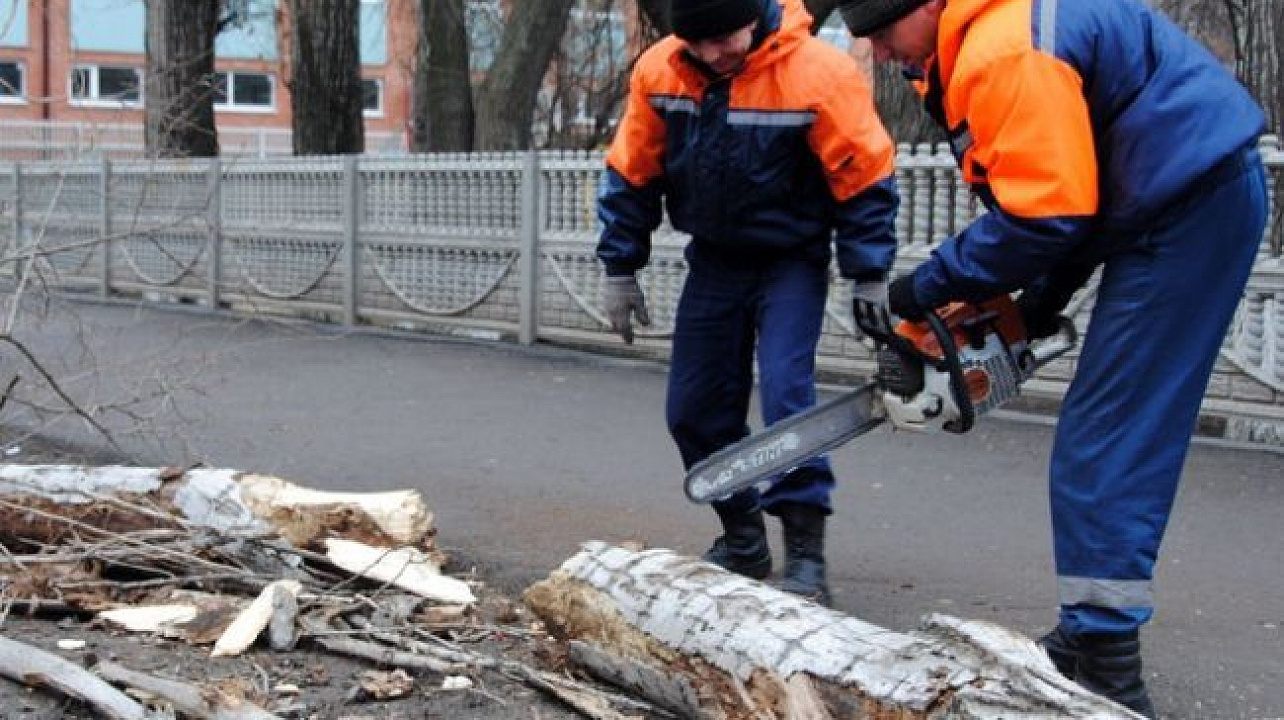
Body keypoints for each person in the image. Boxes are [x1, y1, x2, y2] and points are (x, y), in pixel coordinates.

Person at [837, 0, 1267, 715]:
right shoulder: (974, 42)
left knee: (1109, 436)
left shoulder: (1002, 49)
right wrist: (1034, 304)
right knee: (1105, 432)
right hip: (1156, 196)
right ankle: (1088, 635)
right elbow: (1067, 185)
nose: (878, 52)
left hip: (1187, 205)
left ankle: (1106, 662)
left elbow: (1047, 215)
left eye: (882, 33)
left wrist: (927, 288)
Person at [596, 0, 900, 605]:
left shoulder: (820, 73)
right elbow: (633, 171)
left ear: (754, 14)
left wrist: (869, 274)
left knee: (789, 397)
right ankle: (742, 536)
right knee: (692, 408)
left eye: (724, 38)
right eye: (698, 43)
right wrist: (619, 265)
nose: (713, 54)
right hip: (715, 259)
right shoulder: (661, 72)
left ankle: (806, 553)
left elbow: (864, 175)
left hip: (792, 259)